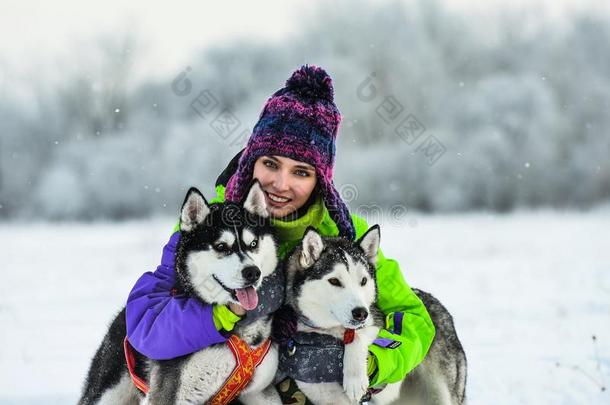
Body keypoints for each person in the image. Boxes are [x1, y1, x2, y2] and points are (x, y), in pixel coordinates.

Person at [125, 65, 435, 401]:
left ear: (321, 181)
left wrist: (372, 362)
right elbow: (148, 325)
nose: (281, 184)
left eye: (301, 172)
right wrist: (221, 315)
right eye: (270, 164)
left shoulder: (343, 235)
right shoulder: (209, 223)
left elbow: (414, 319)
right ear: (250, 162)